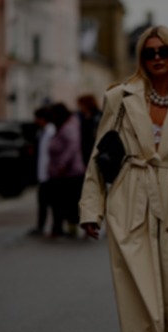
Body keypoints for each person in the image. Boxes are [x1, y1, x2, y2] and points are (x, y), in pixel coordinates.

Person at [78, 25, 168, 332]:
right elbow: (98, 156)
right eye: (148, 52)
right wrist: (92, 208)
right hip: (130, 200)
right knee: (145, 300)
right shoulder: (118, 98)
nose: (157, 58)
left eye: (165, 51)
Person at [47, 102, 85, 237]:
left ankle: (71, 227)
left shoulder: (69, 126)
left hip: (70, 172)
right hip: (61, 172)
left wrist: (62, 164)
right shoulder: (63, 125)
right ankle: (60, 227)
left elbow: (72, 147)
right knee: (61, 201)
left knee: (70, 201)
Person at [30, 106, 56, 236]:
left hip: (50, 173)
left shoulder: (51, 131)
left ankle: (55, 228)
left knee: (52, 202)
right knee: (42, 202)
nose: (36, 121)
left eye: (37, 118)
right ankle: (41, 227)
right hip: (43, 172)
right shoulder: (41, 132)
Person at [77, 94, 103, 167]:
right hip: (87, 153)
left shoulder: (97, 117)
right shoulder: (83, 118)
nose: (80, 108)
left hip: (95, 151)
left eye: (81, 105)